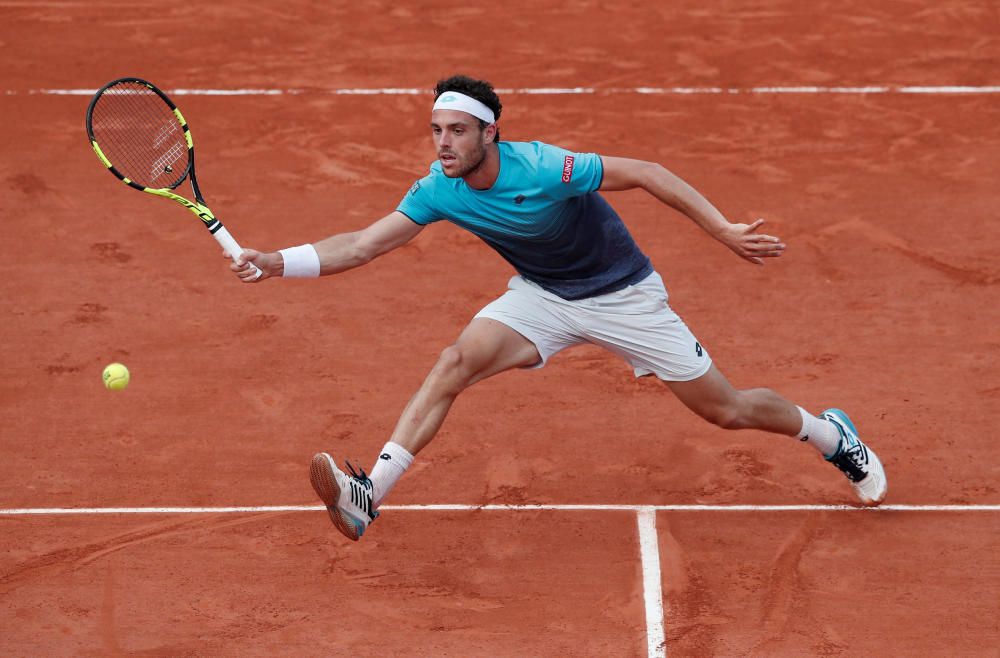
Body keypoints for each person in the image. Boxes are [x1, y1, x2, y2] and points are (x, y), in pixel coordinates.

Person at [230, 74, 887, 541]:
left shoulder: (545, 168)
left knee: (729, 410)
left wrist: (720, 229)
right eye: (436, 130)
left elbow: (647, 171)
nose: (442, 144)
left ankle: (831, 435)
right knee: (455, 361)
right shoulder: (440, 189)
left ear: (491, 134)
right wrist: (275, 260)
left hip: (626, 298)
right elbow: (363, 244)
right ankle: (369, 493)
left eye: (456, 131)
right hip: (544, 298)